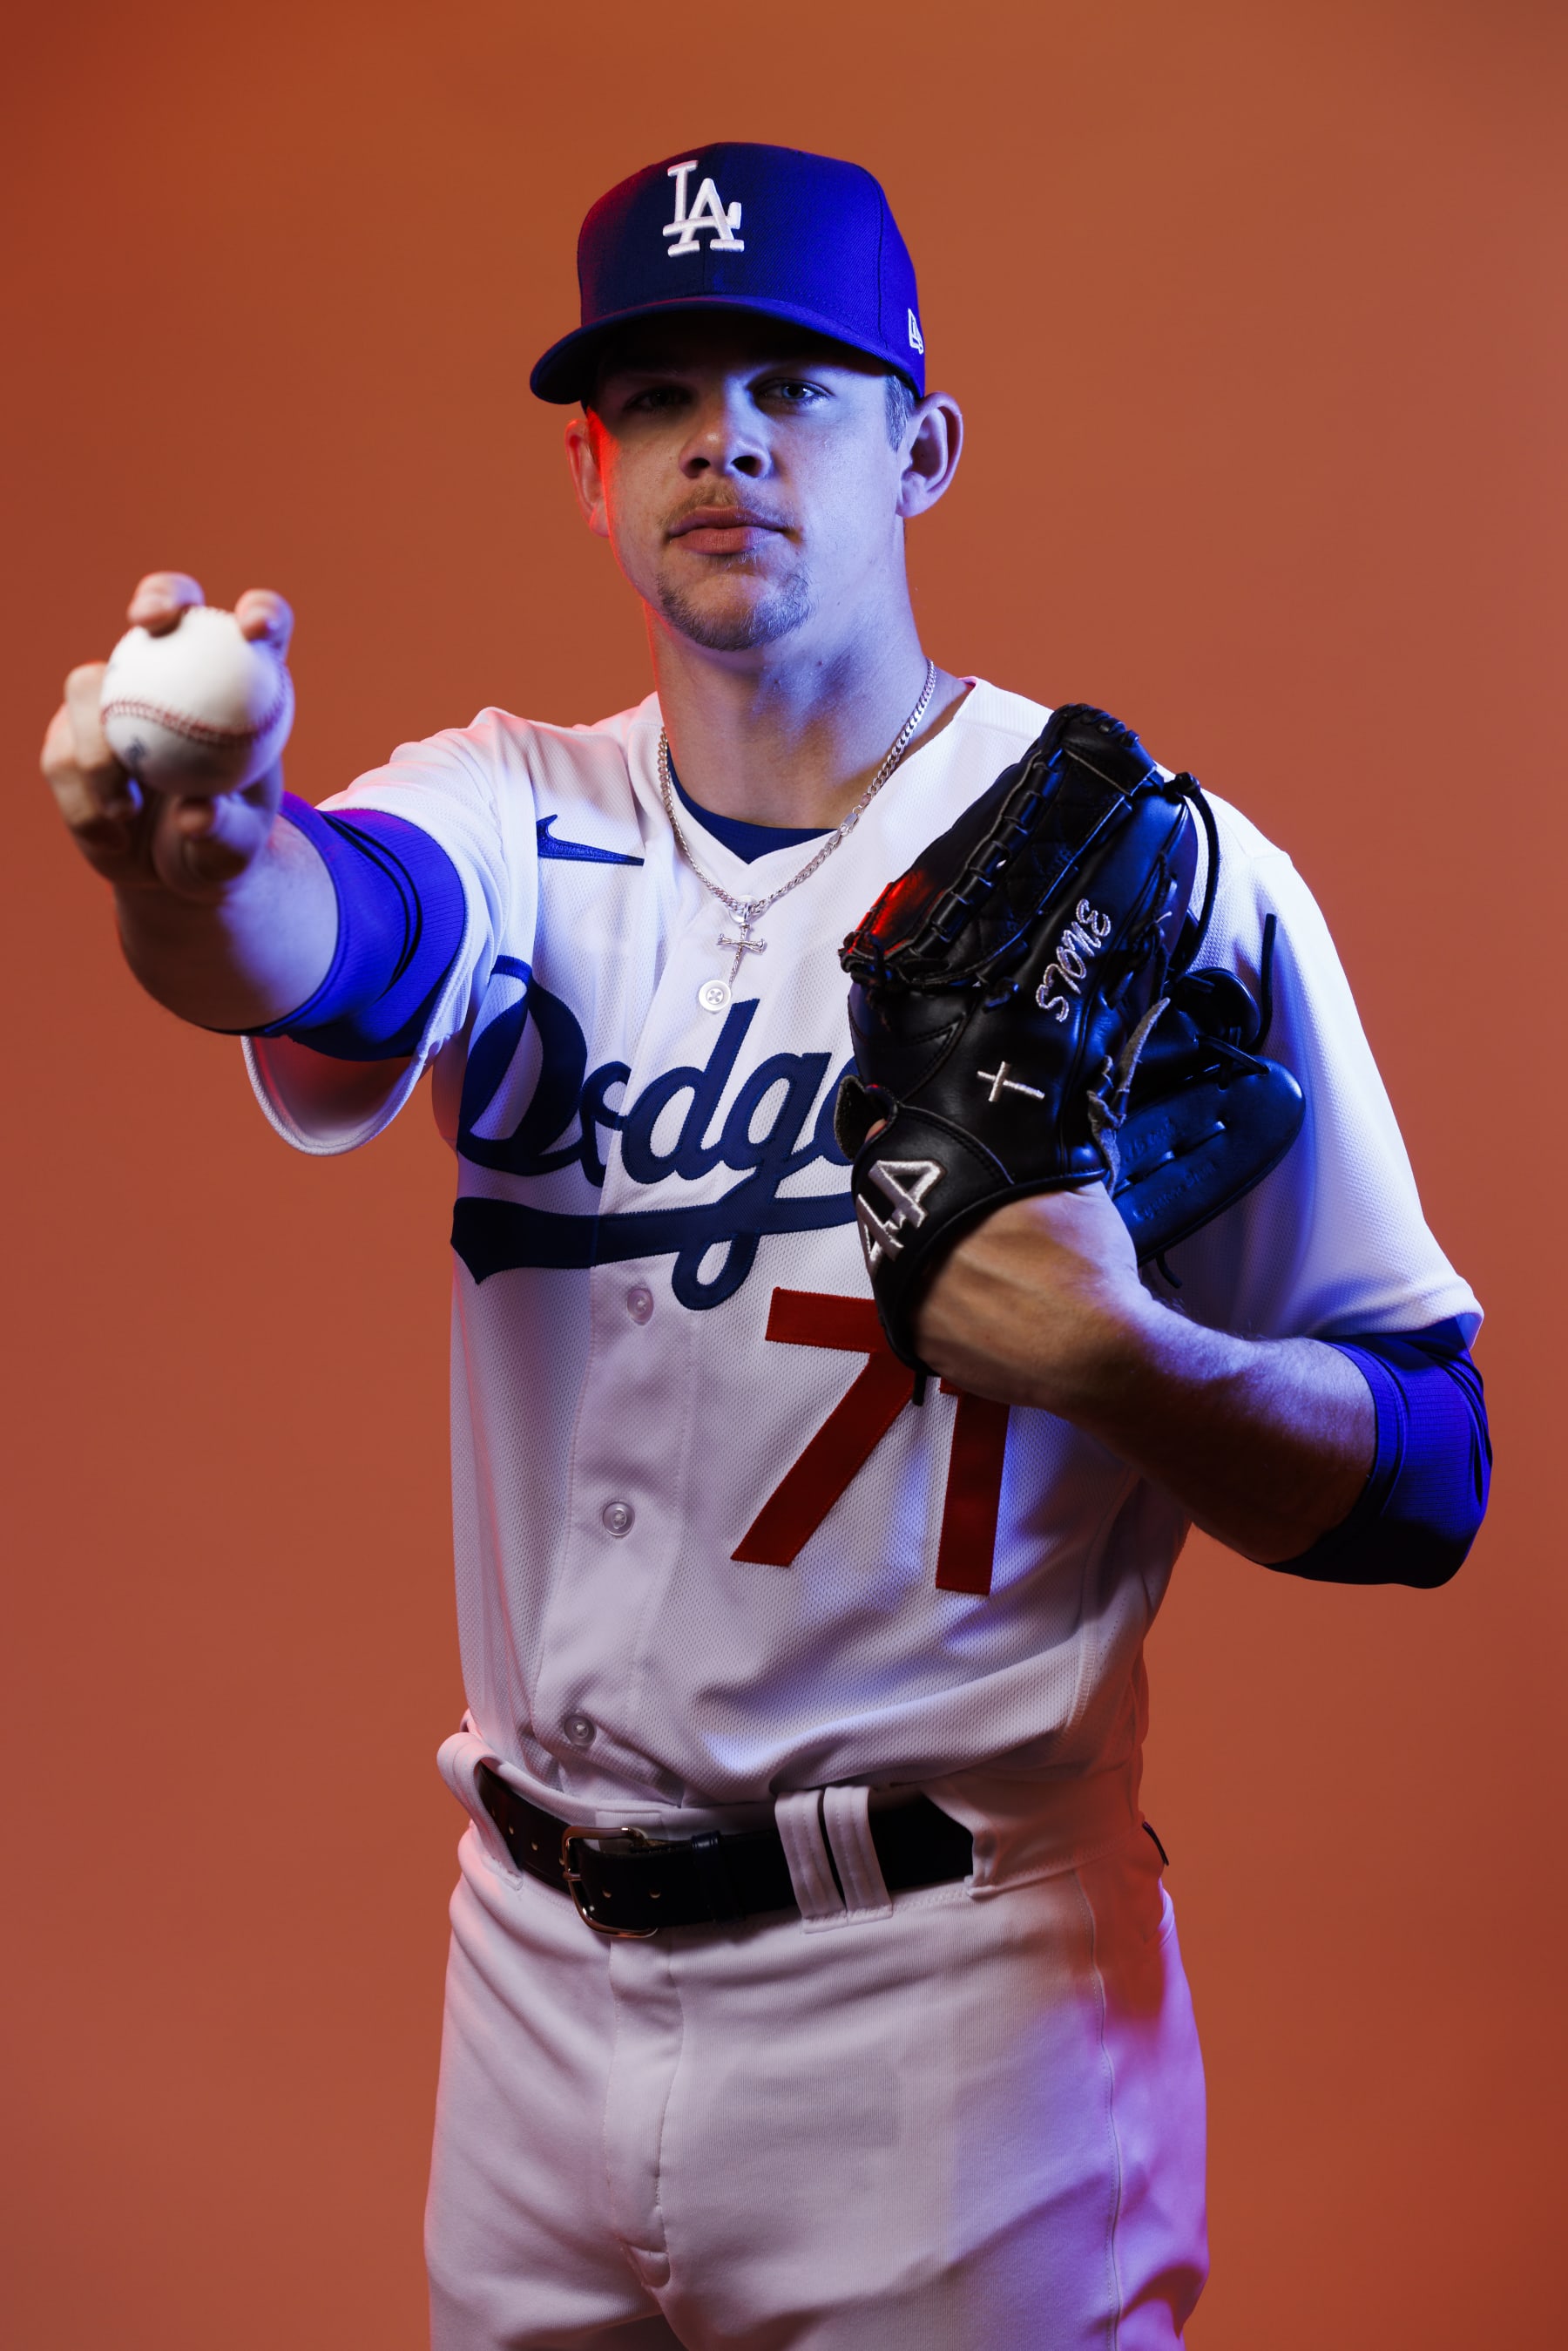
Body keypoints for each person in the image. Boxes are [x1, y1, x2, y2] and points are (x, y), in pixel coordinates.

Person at [42, 143, 1489, 2351]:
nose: (726, 439)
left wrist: (1135, 1362)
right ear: (590, 473)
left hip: (958, 2007)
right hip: (526, 1987)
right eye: (661, 395)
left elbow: (1432, 1469)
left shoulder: (1163, 878)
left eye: (798, 384)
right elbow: (323, 940)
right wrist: (195, 852)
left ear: (924, 442)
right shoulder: (507, 810)